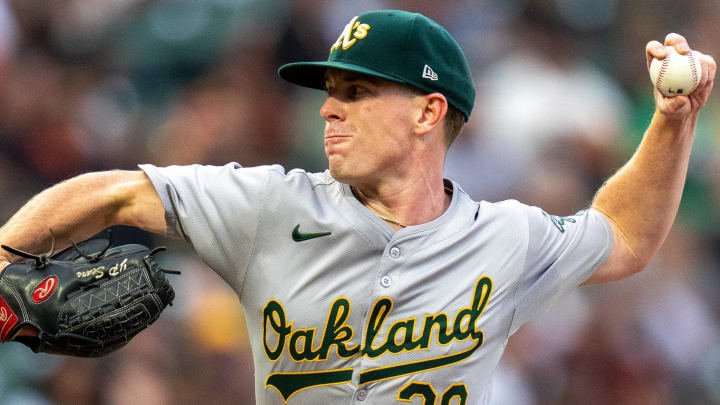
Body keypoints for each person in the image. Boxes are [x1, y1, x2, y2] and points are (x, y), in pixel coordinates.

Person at [0, 9, 716, 404]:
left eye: (356, 93)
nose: (329, 111)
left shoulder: (506, 237)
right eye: (330, 92)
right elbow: (115, 191)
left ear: (429, 112)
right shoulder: (270, 204)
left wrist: (670, 122)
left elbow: (624, 234)